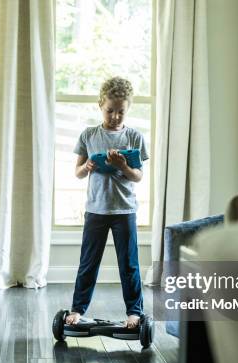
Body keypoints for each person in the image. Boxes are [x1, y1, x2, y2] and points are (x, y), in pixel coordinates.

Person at [66, 76, 149, 329]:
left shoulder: (134, 137)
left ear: (128, 108)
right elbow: (78, 172)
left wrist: (123, 166)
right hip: (96, 210)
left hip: (124, 210)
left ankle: (135, 312)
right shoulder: (89, 135)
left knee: (129, 265)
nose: (115, 116)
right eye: (110, 110)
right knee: (88, 263)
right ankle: (77, 309)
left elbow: (138, 176)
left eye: (120, 112)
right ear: (100, 105)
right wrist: (88, 166)